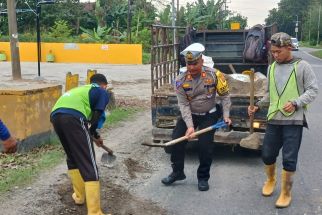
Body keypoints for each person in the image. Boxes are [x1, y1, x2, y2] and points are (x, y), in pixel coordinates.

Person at [248, 32, 318, 208]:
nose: (275, 55)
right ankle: (270, 180)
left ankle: (286, 192)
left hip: (293, 120)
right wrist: (258, 105)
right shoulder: (271, 68)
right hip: (274, 119)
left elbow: (313, 90)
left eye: (279, 51)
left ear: (289, 48)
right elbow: (270, 94)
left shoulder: (302, 66)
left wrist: (296, 103)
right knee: (267, 154)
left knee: (289, 158)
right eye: (273, 52)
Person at [161, 43, 232, 191]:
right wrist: (190, 126)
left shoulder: (215, 75)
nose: (191, 67)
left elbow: (225, 97)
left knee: (205, 147)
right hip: (190, 115)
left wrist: (226, 115)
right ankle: (177, 172)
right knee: (176, 140)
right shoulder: (180, 80)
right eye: (188, 64)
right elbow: (184, 105)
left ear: (201, 61)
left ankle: (203, 178)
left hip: (209, 115)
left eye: (194, 63)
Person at [51, 73, 110, 215]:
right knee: (88, 161)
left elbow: (90, 118)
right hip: (74, 117)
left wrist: (95, 135)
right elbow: (97, 114)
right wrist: (92, 130)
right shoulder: (102, 91)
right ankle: (95, 212)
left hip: (56, 116)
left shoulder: (81, 90)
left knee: (72, 157)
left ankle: (79, 196)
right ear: (104, 85)